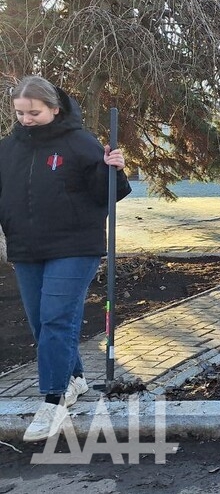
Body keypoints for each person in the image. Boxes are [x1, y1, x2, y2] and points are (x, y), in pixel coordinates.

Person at [0, 76, 131, 442]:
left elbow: (106, 194)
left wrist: (114, 169)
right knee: (41, 325)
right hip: (27, 248)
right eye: (20, 112)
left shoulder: (80, 143)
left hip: (75, 246)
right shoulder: (7, 149)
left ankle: (53, 402)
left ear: (55, 108)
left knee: (56, 319)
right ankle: (73, 380)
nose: (26, 119)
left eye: (34, 112)